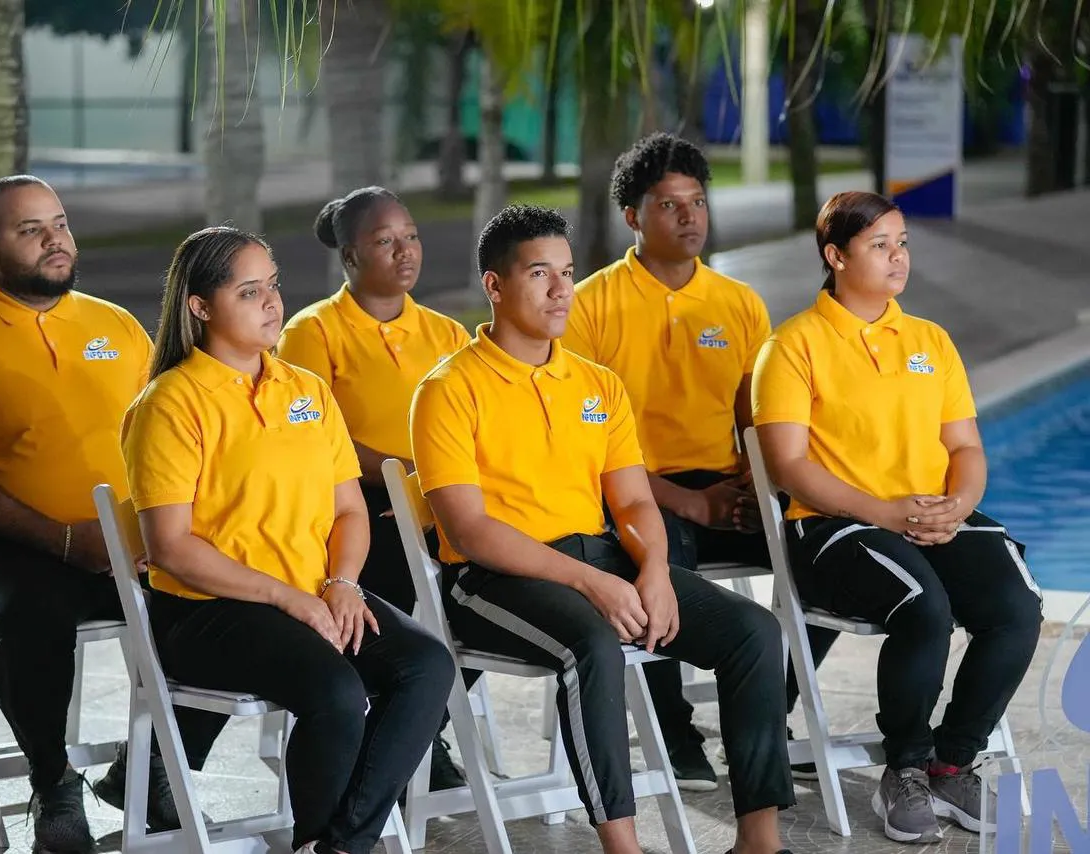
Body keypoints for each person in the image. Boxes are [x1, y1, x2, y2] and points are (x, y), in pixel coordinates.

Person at [410, 204, 795, 854]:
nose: (562, 290)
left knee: (754, 632)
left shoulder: (597, 385)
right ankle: (623, 846)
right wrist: (593, 584)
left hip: (601, 559)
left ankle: (759, 840)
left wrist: (654, 573)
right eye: (540, 274)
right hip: (495, 579)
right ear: (495, 286)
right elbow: (470, 530)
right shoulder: (448, 389)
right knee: (592, 643)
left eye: (566, 272)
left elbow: (635, 502)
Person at [121, 226, 456, 854]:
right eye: (249, 292)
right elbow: (171, 547)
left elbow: (349, 510)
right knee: (336, 692)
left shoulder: (306, 390)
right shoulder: (169, 404)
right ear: (200, 306)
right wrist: (289, 598)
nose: (272, 302)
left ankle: (339, 845)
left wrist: (343, 584)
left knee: (426, 665)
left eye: (272, 286)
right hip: (207, 612)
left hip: (315, 594)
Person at [0, 175, 197, 853]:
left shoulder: (116, 327)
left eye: (59, 223)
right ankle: (54, 782)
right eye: (30, 230)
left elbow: (170, 438)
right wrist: (64, 541)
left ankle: (148, 766)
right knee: (33, 612)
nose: (54, 239)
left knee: (218, 597)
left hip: (121, 542)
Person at [752, 191, 1042, 844]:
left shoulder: (929, 341)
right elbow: (789, 466)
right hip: (834, 529)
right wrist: (883, 511)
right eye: (879, 245)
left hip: (930, 519)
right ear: (836, 256)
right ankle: (905, 769)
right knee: (923, 605)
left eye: (902, 242)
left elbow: (965, 447)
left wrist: (957, 506)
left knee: (1017, 604)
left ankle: (952, 763)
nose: (898, 257)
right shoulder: (793, 345)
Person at [563, 131, 836, 788]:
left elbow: (752, 417)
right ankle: (673, 731)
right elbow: (582, 444)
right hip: (632, 490)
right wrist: (687, 501)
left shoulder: (738, 302)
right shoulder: (589, 307)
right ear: (632, 216)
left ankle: (768, 708)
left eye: (698, 202)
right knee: (658, 565)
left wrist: (754, 486)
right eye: (669, 205)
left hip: (721, 485)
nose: (690, 217)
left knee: (827, 551)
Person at [277, 187, 472, 792]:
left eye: (410, 236)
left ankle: (417, 729)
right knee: (403, 577)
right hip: (355, 504)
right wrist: (403, 476)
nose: (404, 251)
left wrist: (432, 484)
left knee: (491, 593)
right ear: (350, 256)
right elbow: (314, 438)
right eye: (385, 241)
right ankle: (403, 732)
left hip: (436, 501)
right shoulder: (313, 331)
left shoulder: (446, 333)